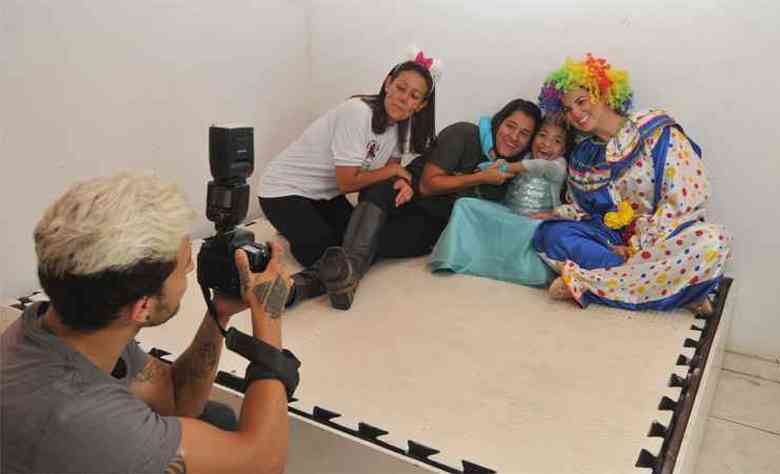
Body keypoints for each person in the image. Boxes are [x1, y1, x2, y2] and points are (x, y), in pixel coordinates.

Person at [1, 172, 295, 474]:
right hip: (79, 437)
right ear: (143, 306)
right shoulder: (90, 420)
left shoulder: (63, 322)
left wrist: (218, 312)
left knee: (216, 417)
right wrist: (268, 317)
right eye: (184, 265)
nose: (191, 267)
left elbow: (177, 399)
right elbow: (263, 462)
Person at [532, 54, 730, 313]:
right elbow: (583, 210)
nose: (576, 114)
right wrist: (556, 215)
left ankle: (586, 283)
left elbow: (685, 200)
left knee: (713, 241)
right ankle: (677, 289)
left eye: (582, 101)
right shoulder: (583, 154)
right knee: (551, 234)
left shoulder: (655, 130)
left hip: (662, 239)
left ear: (603, 93)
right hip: (610, 242)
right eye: (568, 110)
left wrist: (638, 246)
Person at [258, 47, 440, 309]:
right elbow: (348, 182)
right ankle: (291, 285)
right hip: (283, 191)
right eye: (401, 88)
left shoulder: (402, 127)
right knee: (327, 252)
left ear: (421, 105)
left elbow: (390, 172)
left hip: (324, 196)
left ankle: (304, 279)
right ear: (388, 83)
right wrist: (393, 172)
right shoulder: (357, 112)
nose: (403, 99)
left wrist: (402, 182)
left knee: (357, 245)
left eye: (414, 96)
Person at [318, 98, 543, 309]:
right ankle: (338, 280)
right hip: (405, 191)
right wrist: (481, 177)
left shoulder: (512, 172)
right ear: (498, 122)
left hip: (431, 222)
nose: (514, 137)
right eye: (510, 126)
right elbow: (427, 185)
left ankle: (316, 281)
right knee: (377, 199)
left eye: (524, 134)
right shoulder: (465, 134)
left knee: (371, 241)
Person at [428, 114, 572, 287]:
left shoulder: (558, 165)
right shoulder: (525, 156)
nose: (546, 144)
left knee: (539, 230)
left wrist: (509, 167)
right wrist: (486, 169)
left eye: (556, 141)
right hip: (510, 212)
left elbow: (539, 166)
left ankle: (526, 273)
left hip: (535, 220)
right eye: (542, 135)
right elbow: (498, 164)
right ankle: (454, 257)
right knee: (465, 204)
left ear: (563, 150)